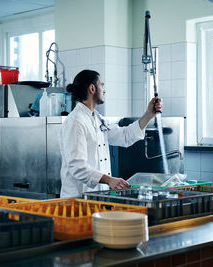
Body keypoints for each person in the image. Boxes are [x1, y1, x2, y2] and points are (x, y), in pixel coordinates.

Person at [59, 69, 162, 198]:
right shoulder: (75, 121)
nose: (104, 90)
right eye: (101, 85)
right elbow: (77, 166)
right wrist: (109, 180)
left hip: (97, 196)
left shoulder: (97, 119)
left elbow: (125, 136)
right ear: (92, 88)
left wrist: (148, 114)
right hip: (77, 200)